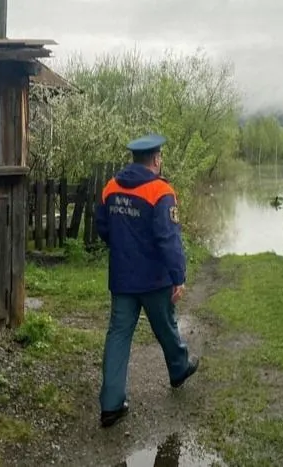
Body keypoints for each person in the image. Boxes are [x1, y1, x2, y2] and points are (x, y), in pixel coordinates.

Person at [95, 133, 199, 428]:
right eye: (160, 157)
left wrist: (122, 248)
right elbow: (168, 239)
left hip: (122, 279)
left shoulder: (110, 187)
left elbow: (102, 226)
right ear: (155, 159)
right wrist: (178, 276)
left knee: (118, 335)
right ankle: (179, 370)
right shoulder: (160, 191)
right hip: (155, 280)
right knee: (165, 326)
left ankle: (111, 405)